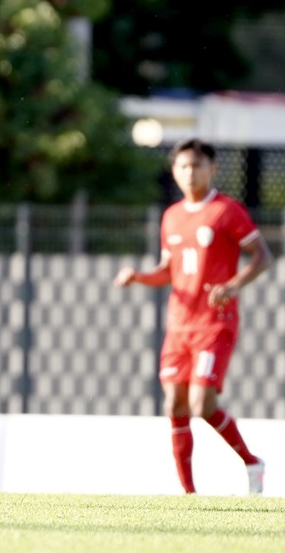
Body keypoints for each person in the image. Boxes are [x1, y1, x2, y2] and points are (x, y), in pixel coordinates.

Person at [114, 138, 271, 495]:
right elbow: (167, 271)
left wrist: (233, 285)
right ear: (174, 170)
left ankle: (251, 461)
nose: (190, 172)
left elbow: (261, 256)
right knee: (174, 404)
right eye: (183, 166)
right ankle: (188, 495)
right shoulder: (171, 217)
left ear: (212, 169)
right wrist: (138, 277)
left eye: (197, 165)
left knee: (202, 404)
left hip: (215, 323)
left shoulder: (227, 211)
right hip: (179, 326)